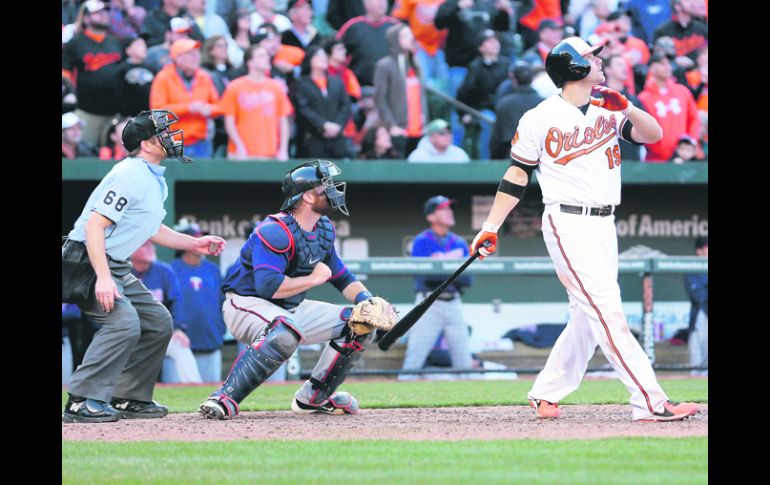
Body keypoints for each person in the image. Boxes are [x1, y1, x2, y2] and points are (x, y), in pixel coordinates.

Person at [469, 36, 700, 422]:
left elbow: (655, 135)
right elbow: (516, 175)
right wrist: (491, 225)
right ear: (573, 66)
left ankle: (545, 392)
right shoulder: (539, 117)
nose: (600, 59)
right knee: (608, 313)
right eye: (591, 55)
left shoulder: (608, 109)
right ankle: (650, 401)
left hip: (605, 222)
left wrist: (627, 105)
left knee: (587, 316)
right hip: (567, 221)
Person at [61, 109, 227, 423]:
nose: (170, 137)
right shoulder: (131, 174)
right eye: (162, 133)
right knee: (123, 323)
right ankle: (82, 400)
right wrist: (104, 278)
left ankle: (128, 396)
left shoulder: (151, 176)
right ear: (146, 144)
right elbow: (95, 226)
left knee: (158, 321)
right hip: (86, 260)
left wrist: (193, 243)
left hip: (113, 262)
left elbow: (151, 228)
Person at [199, 160, 377, 419]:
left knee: (359, 323)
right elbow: (268, 286)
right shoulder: (275, 230)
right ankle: (224, 397)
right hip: (245, 303)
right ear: (307, 196)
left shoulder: (323, 228)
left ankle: (313, 398)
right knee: (284, 331)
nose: (333, 190)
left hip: (288, 307)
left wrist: (368, 301)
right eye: (325, 186)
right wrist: (314, 280)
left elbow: (341, 276)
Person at [400, 196, 474, 378]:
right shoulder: (421, 241)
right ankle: (398, 401)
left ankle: (470, 405)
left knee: (464, 361)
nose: (449, 212)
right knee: (414, 359)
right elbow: (427, 278)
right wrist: (453, 260)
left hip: (454, 303)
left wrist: (441, 260)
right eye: (443, 209)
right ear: (431, 216)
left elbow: (468, 280)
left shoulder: (459, 243)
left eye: (450, 208)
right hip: (428, 304)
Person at [129, 240, 202, 384]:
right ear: (131, 249)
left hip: (157, 332)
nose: (150, 248)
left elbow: (176, 301)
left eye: (151, 244)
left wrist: (178, 329)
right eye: (144, 245)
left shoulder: (163, 271)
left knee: (181, 346)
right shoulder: (121, 270)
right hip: (129, 333)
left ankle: (194, 389)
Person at [171, 221, 228, 383]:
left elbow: (222, 303)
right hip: (179, 344)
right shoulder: (172, 269)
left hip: (209, 340)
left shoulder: (213, 270)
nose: (201, 240)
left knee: (210, 394)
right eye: (196, 238)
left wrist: (219, 329)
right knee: (177, 398)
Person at [62, 1, 124, 148]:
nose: (103, 15)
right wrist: (70, 92)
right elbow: (64, 74)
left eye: (105, 12)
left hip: (114, 112)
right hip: (87, 111)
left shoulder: (115, 42)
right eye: (98, 13)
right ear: (86, 18)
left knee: (114, 157)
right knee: (85, 155)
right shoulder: (75, 43)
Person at [150, 38, 223, 158]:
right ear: (177, 58)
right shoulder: (163, 78)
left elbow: (218, 106)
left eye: (196, 53)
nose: (195, 57)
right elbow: (157, 112)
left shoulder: (204, 77)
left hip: (201, 143)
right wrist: (189, 108)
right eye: (190, 54)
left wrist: (209, 110)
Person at [219, 44, 293, 160]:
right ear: (250, 62)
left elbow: (283, 120)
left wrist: (283, 149)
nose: (266, 58)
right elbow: (229, 121)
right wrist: (239, 145)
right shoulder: (235, 87)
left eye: (267, 55)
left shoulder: (276, 87)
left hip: (270, 152)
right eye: (261, 56)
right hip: (240, 153)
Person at [373, 23, 426, 158]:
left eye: (410, 34)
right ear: (395, 40)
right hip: (398, 132)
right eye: (405, 35)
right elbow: (380, 99)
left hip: (419, 131)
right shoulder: (385, 65)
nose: (411, 38)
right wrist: (392, 126)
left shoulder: (415, 65)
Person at [291, 46, 354, 159]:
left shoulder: (336, 82)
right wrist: (323, 125)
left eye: (325, 56)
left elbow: (345, 106)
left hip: (337, 138)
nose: (323, 58)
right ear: (310, 59)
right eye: (319, 55)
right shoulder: (301, 84)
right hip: (311, 138)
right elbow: (303, 108)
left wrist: (337, 126)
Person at [456, 29, 509, 160]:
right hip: (484, 110)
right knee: (489, 120)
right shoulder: (475, 67)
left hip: (505, 108)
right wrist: (464, 113)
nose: (495, 44)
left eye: (496, 40)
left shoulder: (507, 64)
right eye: (489, 41)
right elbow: (465, 92)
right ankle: (486, 162)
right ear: (481, 47)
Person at [637, 53, 699, 162]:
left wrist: (690, 143)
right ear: (652, 68)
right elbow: (643, 129)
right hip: (656, 161)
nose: (667, 66)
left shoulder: (682, 91)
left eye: (668, 63)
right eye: (662, 63)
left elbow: (694, 119)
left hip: (684, 158)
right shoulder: (643, 98)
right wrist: (659, 152)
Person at [335, 0, 400, 88]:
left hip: (391, 88)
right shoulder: (353, 27)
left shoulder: (395, 27)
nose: (382, 3)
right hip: (361, 89)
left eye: (384, 0)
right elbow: (335, 56)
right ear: (366, 5)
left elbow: (409, 56)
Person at [490, 62, 544, 160]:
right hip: (541, 158)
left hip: (511, 157)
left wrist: (495, 159)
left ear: (514, 79)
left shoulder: (504, 103)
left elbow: (496, 140)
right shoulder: (545, 103)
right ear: (533, 79)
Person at [684, 236, 708, 377]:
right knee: (697, 359)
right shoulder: (691, 267)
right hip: (701, 314)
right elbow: (699, 295)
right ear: (699, 250)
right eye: (705, 247)